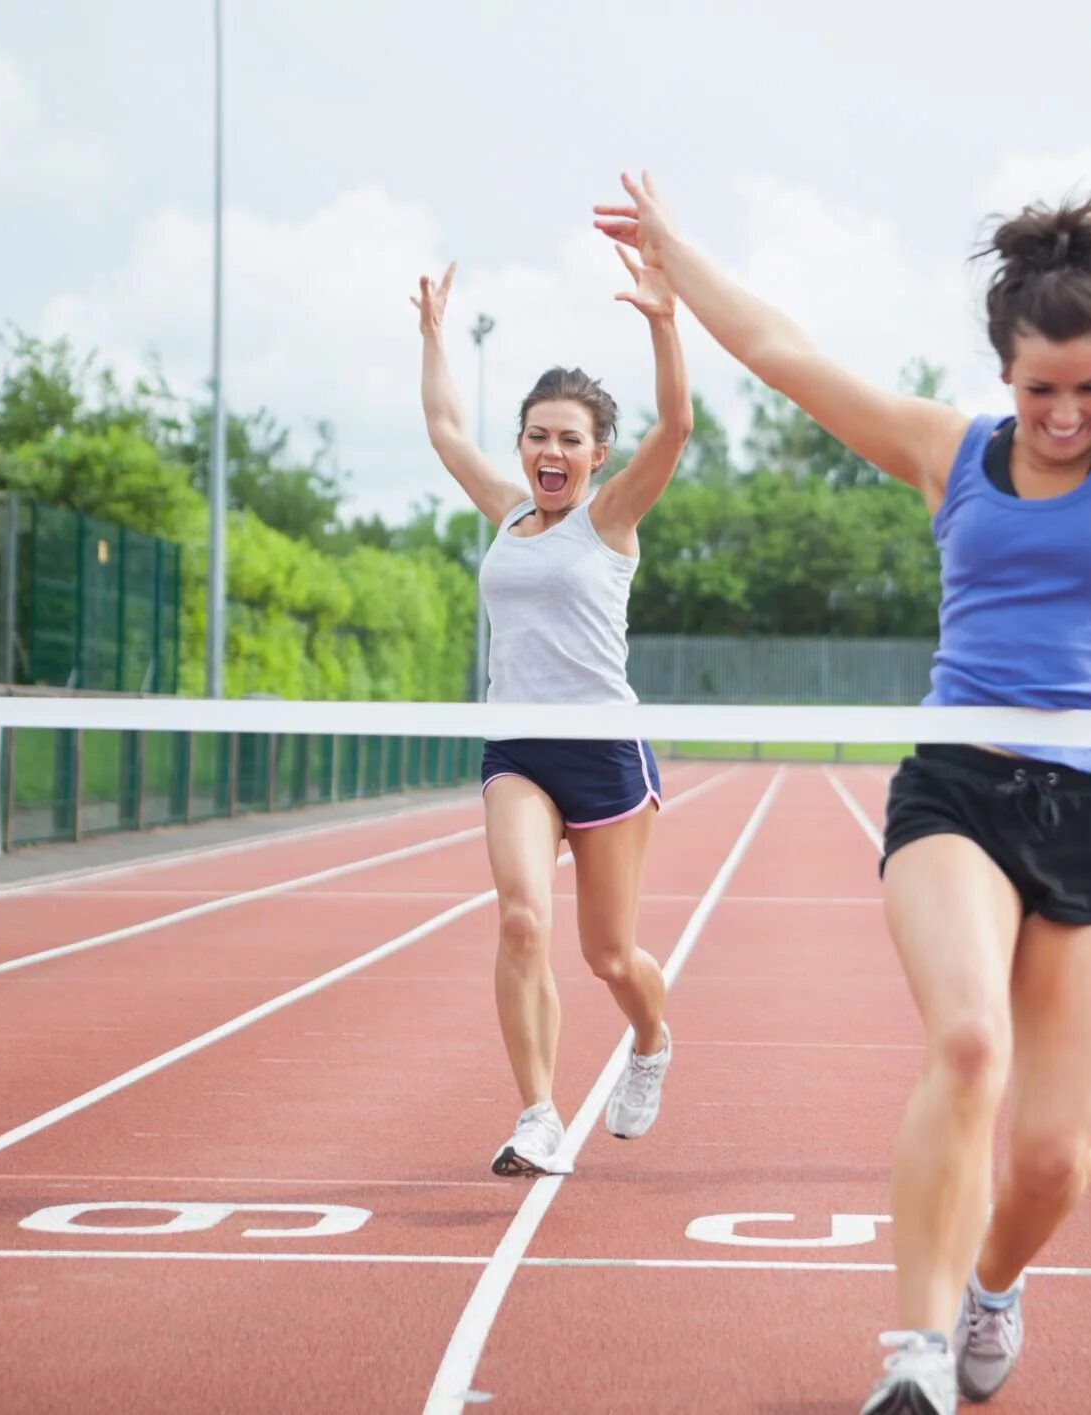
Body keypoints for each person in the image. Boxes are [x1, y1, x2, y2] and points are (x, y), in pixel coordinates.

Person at [595, 5, 1091, 1409]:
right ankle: (917, 1351)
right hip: (957, 790)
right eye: (1041, 388)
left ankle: (993, 1285)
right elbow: (788, 355)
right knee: (967, 1045)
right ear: (1003, 371)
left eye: (1088, 388)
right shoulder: (954, 456)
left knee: (1056, 1153)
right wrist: (672, 252)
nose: (1065, 413)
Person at [410, 249, 693, 1177]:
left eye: (569, 439)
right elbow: (448, 427)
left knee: (611, 956)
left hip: (604, 750)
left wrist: (662, 320)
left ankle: (650, 1039)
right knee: (521, 919)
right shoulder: (504, 512)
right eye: (537, 436)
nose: (550, 453)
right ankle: (539, 1112)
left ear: (596, 453)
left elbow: (679, 424)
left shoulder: (610, 520)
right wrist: (432, 335)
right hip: (520, 748)